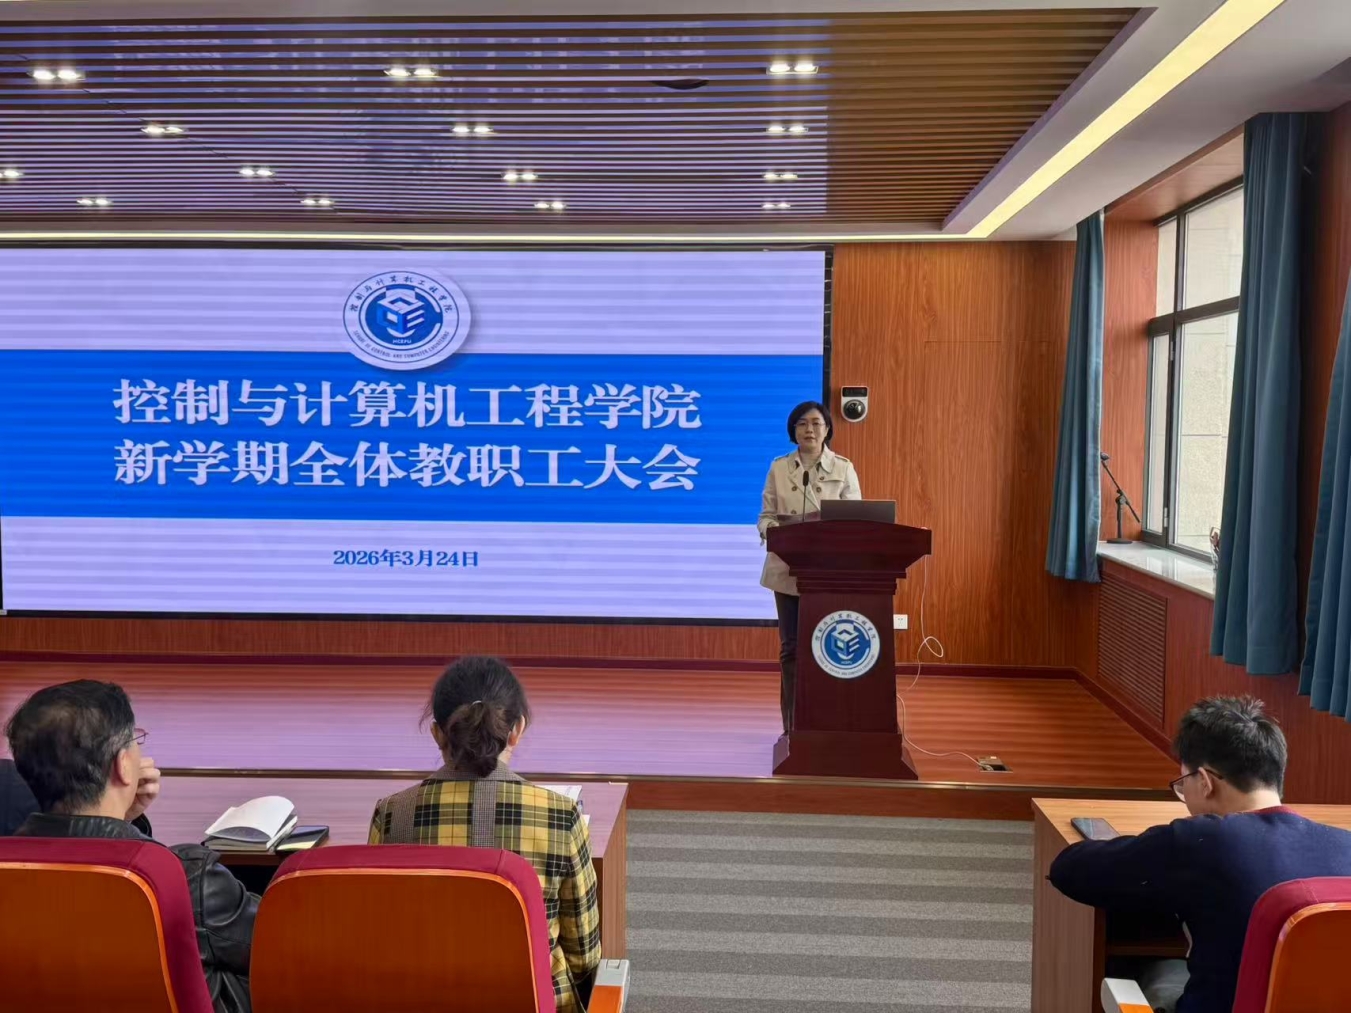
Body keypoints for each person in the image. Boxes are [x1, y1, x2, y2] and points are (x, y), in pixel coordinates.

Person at [1049, 696, 1351, 1013]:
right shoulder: (1345, 844)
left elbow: (1069, 870)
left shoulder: (1201, 840)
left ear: (1205, 782)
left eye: (1183, 784)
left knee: (1145, 968)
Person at [6, 680, 257, 1013]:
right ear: (123, 765)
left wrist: (124, 819)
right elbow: (285, 945)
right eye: (134, 740)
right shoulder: (189, 877)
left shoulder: (10, 872)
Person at [369, 656, 600, 1013]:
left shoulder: (391, 815)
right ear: (517, 729)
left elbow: (383, 936)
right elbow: (584, 957)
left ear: (437, 733)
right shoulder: (561, 817)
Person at [757, 400, 861, 731]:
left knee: (826, 647)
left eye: (816, 423)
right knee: (790, 648)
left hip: (827, 572)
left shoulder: (843, 468)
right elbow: (766, 516)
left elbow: (855, 521)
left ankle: (824, 722)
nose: (809, 429)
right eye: (802, 423)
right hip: (787, 569)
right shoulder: (779, 468)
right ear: (793, 430)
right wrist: (772, 531)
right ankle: (792, 725)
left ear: (827, 429)